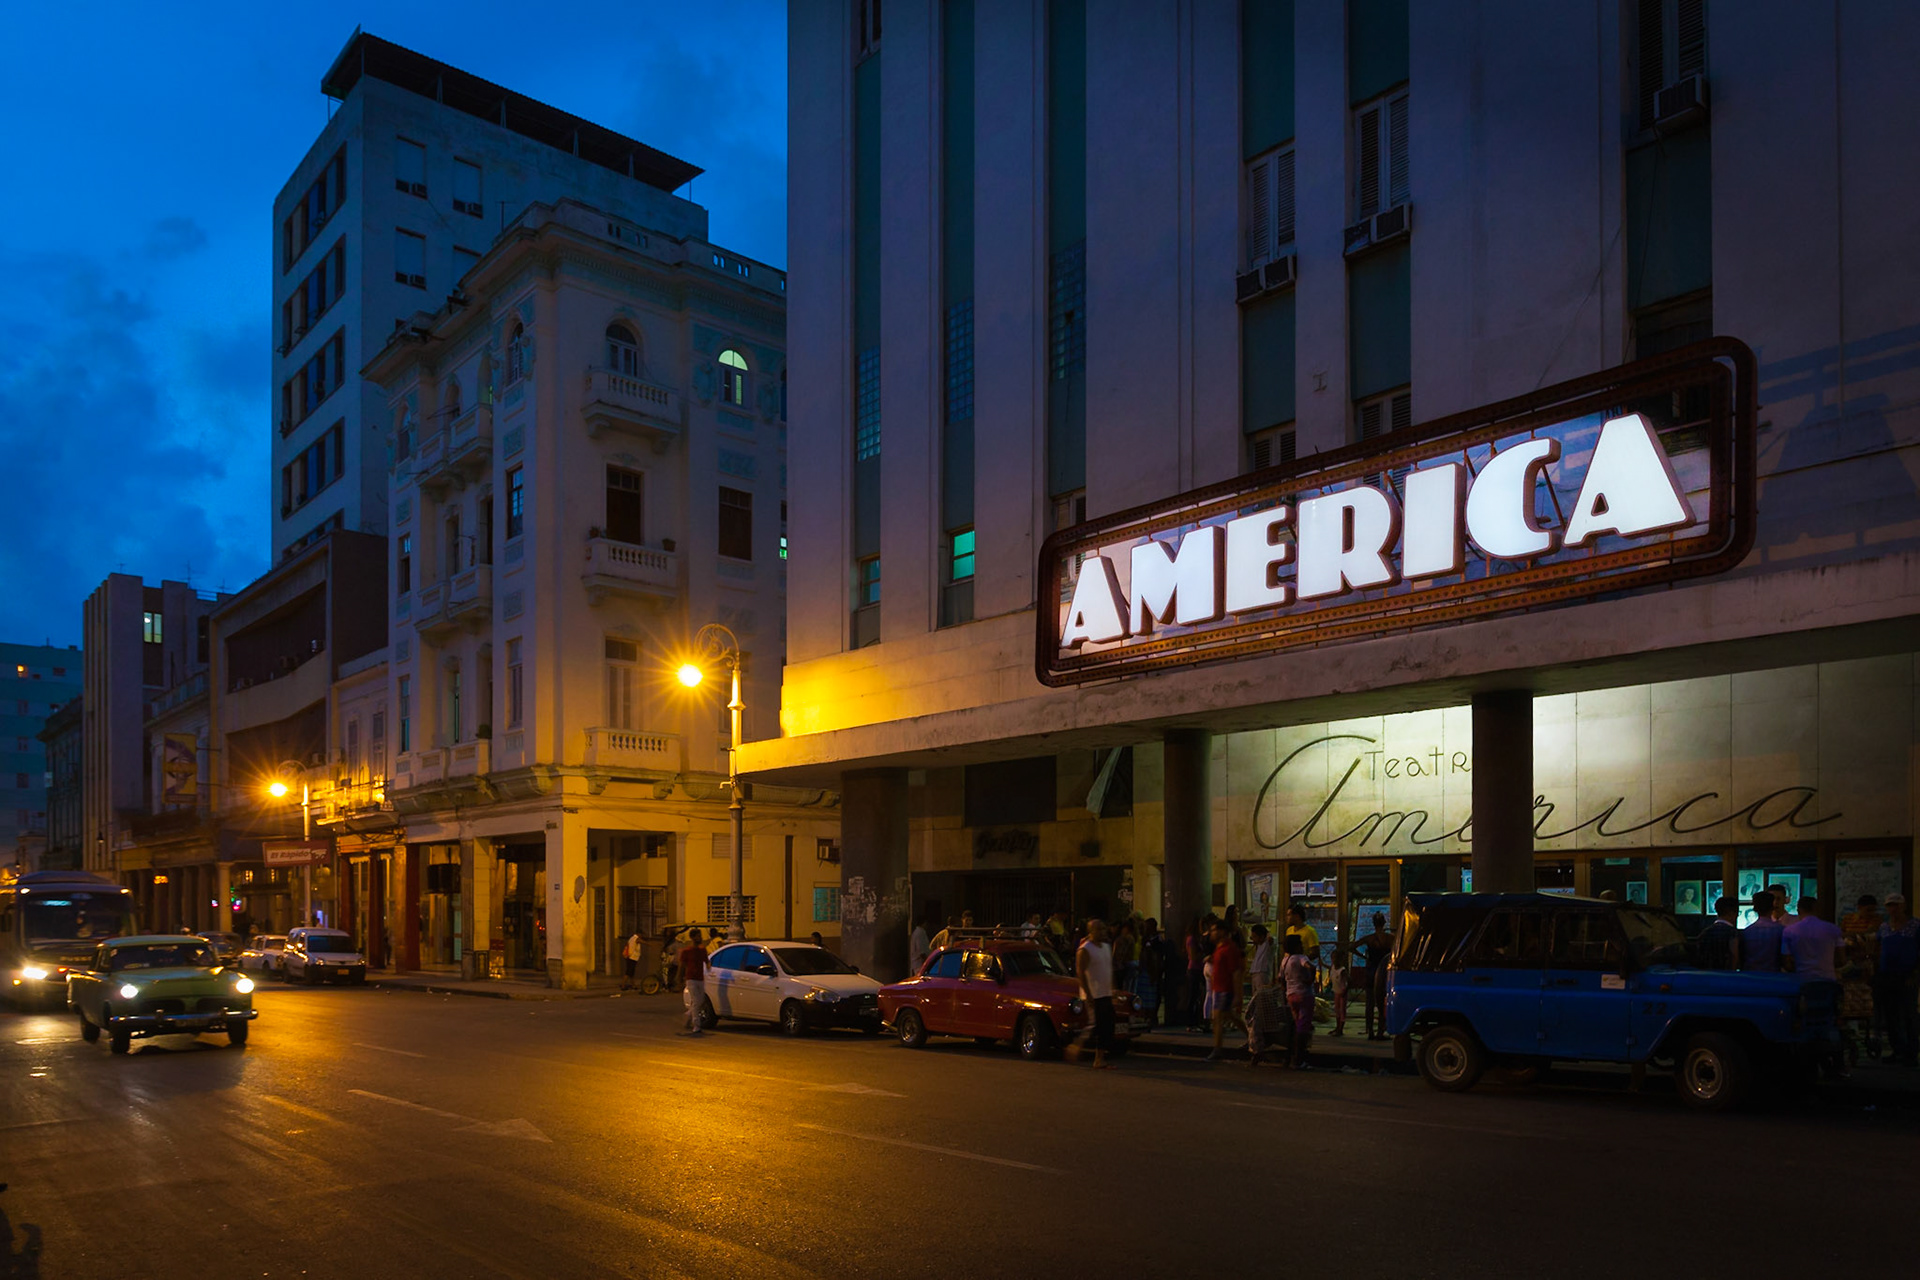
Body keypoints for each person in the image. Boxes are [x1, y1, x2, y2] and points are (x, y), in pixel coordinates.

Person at [1876, 893, 1920, 1068]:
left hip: (1907, 975)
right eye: (1890, 906)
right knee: (1891, 1014)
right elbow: (1879, 947)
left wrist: (1915, 973)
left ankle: (1911, 1052)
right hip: (1887, 975)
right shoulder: (1885, 927)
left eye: (1896, 905)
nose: (1893, 909)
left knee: (1908, 1013)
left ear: (1903, 906)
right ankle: (1898, 1049)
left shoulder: (1915, 926)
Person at [1840, 895, 1884, 1059]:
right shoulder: (1848, 918)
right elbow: (1843, 934)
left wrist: (1854, 935)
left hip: (1868, 967)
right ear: (1859, 907)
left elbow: (1871, 933)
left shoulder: (1878, 920)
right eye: (1868, 910)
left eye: (1873, 910)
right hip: (1849, 965)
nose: (1871, 913)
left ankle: (1873, 1033)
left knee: (1869, 1000)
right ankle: (1853, 1031)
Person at [1069, 919, 1117, 1069]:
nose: (1103, 932)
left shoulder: (1106, 947)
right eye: (1099, 929)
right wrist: (1088, 994)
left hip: (1105, 992)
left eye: (1104, 929)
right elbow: (1081, 973)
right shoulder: (1085, 949)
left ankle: (1097, 1057)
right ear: (1091, 932)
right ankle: (1079, 1046)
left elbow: (1109, 969)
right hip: (1093, 994)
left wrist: (1113, 989)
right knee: (1096, 1025)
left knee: (1107, 1025)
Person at [1346, 912, 1394, 1039]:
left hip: (1371, 969)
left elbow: (1351, 947)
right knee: (1382, 1002)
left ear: (1373, 924)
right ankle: (1380, 1031)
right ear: (1384, 923)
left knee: (1370, 1002)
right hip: (1383, 971)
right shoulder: (1390, 938)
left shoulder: (1369, 938)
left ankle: (1370, 1031)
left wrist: (1363, 956)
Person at [1205, 921, 1244, 1063]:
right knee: (1229, 1016)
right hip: (1218, 988)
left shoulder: (1229, 948)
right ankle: (1252, 1038)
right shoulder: (1219, 948)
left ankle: (1217, 1049)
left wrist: (1238, 994)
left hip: (1225, 989)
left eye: (1214, 930)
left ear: (1222, 931)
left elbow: (1236, 972)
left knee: (1218, 1019)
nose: (1212, 933)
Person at [1280, 933, 1317, 1069]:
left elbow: (1281, 978)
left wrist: (1286, 989)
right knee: (1303, 1027)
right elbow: (1311, 967)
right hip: (1304, 994)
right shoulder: (1301, 958)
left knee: (1295, 1024)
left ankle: (1288, 1056)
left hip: (1291, 995)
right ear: (1296, 947)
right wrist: (1309, 980)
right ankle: (1299, 1059)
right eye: (1301, 944)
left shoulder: (1284, 960)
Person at [1739, 891, 1783, 972]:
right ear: (1772, 907)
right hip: (1773, 976)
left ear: (1755, 908)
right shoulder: (1781, 930)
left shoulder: (1746, 932)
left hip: (1751, 975)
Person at [1694, 896, 1740, 971]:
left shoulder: (1705, 932)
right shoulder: (1732, 932)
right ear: (1733, 913)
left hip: (1707, 974)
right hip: (1725, 974)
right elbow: (1734, 956)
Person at [677, 929, 709, 1036]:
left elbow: (707, 961)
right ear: (692, 938)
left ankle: (688, 1014)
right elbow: (681, 965)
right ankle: (697, 1025)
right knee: (696, 1001)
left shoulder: (702, 950)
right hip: (691, 978)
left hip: (700, 978)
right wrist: (679, 978)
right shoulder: (687, 951)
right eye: (697, 936)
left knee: (701, 1000)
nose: (700, 938)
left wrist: (709, 967)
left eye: (700, 936)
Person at [1184, 917, 1208, 1033]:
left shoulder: (1196, 938)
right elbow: (1193, 956)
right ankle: (1190, 1022)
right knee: (1193, 997)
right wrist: (1204, 953)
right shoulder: (1192, 939)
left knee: (1196, 996)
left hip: (1197, 969)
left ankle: (1195, 1021)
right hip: (1194, 969)